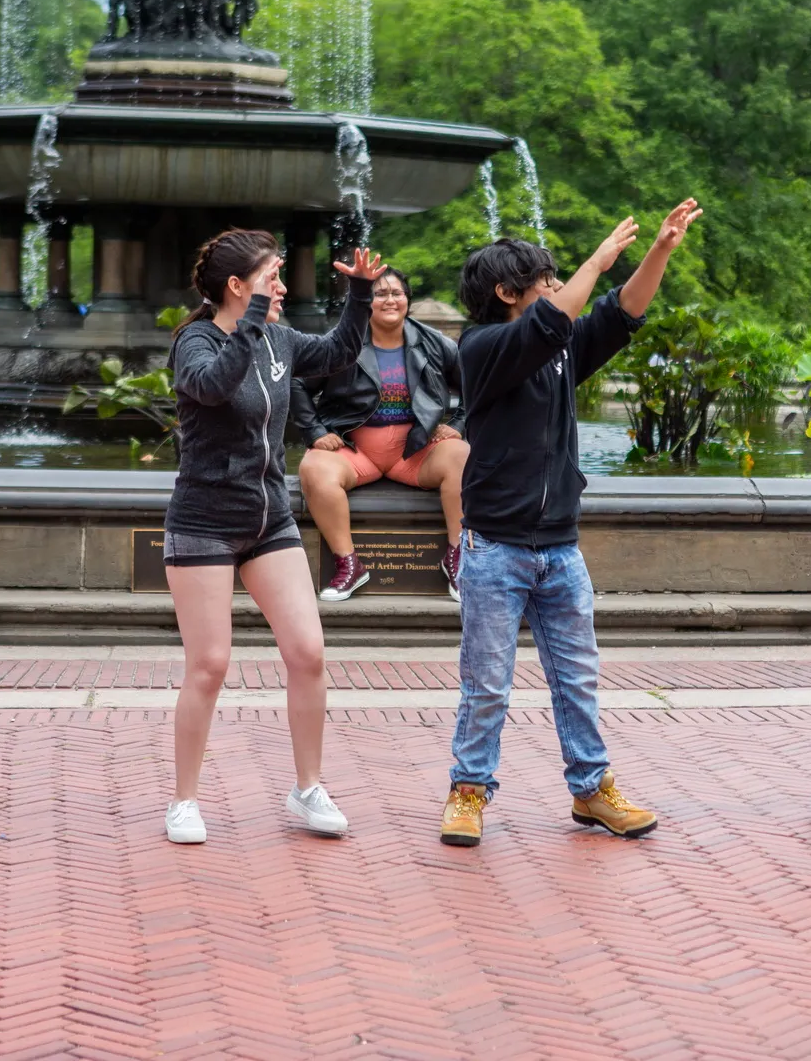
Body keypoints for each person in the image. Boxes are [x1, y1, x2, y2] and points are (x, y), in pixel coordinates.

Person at [439, 199, 703, 849]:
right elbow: (552, 320)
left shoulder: (559, 348)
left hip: (560, 549)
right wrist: (598, 258)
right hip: (494, 548)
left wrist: (660, 250)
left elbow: (621, 312)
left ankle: (591, 789)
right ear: (507, 293)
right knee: (487, 685)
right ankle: (468, 791)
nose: (558, 287)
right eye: (546, 280)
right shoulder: (481, 348)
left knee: (578, 680)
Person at [162, 229, 387, 846]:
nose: (283, 288)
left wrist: (360, 294)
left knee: (308, 652)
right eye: (271, 278)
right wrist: (253, 318)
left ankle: (307, 788)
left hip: (269, 522)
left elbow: (339, 351)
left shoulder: (279, 338)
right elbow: (214, 385)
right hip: (204, 522)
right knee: (209, 665)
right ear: (238, 287)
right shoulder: (195, 342)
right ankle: (184, 800)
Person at [293, 267, 468, 602]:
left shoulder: (436, 343)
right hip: (356, 450)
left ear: (407, 299)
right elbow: (298, 382)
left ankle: (458, 558)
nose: (390, 300)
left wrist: (458, 425)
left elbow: (475, 388)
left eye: (396, 293)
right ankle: (348, 564)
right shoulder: (341, 342)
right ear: (365, 301)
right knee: (313, 467)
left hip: (416, 451)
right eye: (380, 294)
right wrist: (315, 431)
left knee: (462, 455)